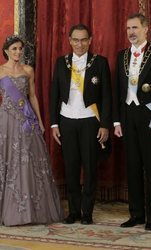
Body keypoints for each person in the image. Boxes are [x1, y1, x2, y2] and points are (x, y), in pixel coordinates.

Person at [113, 13, 151, 231]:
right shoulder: (121, 56)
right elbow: (118, 91)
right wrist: (116, 121)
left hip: (150, 117)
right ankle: (136, 214)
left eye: (135, 27)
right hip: (128, 116)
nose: (131, 32)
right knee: (133, 167)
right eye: (128, 28)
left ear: (146, 29)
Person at [50, 24, 112, 225]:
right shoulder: (61, 63)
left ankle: (87, 212)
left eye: (83, 39)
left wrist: (104, 125)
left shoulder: (100, 63)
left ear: (90, 40)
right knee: (71, 167)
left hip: (90, 121)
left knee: (90, 168)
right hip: (66, 120)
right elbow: (54, 95)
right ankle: (74, 211)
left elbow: (107, 97)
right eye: (75, 40)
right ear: (69, 41)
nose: (79, 44)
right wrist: (53, 124)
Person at [0, 35, 63, 226]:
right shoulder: (0, 71)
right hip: (7, 122)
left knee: (29, 162)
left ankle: (30, 211)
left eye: (20, 49)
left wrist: (41, 122)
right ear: (6, 51)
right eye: (14, 49)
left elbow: (33, 96)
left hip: (27, 122)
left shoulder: (28, 70)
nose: (18, 52)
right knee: (8, 161)